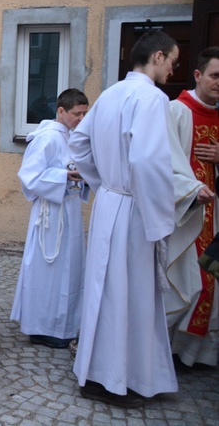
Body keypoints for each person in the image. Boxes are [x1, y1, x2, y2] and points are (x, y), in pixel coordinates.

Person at [68, 30, 182, 408]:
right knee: (130, 294)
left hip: (110, 204)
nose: (173, 69)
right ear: (158, 56)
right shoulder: (151, 97)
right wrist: (160, 217)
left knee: (105, 290)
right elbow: (148, 162)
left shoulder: (112, 93)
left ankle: (96, 374)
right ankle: (123, 379)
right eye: (173, 61)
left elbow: (79, 143)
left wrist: (105, 184)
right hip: (134, 207)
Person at [10, 88, 89, 349]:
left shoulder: (71, 136)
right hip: (50, 215)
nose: (81, 118)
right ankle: (41, 327)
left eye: (84, 113)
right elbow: (29, 176)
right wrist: (63, 177)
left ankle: (64, 325)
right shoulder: (46, 139)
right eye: (77, 113)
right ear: (61, 111)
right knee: (48, 272)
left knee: (70, 270)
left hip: (69, 209)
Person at [166, 46, 219, 367]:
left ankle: (198, 354)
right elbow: (163, 163)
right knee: (186, 281)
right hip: (185, 214)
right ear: (198, 75)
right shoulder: (176, 111)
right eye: (215, 75)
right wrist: (189, 190)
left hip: (215, 216)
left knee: (211, 282)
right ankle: (171, 351)